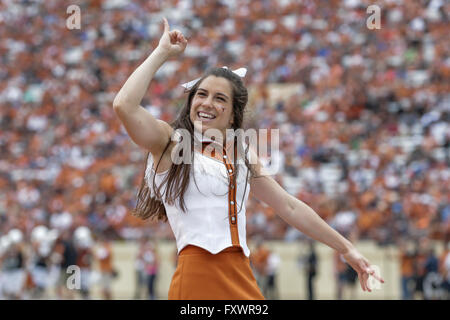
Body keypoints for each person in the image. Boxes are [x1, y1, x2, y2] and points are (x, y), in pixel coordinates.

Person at [112, 18, 384, 300]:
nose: (207, 103)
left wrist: (346, 248)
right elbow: (124, 105)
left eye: (220, 98)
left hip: (241, 275)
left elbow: (289, 207)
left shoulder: (242, 152)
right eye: (201, 94)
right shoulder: (169, 142)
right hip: (197, 277)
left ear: (232, 114)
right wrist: (162, 53)